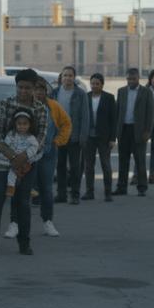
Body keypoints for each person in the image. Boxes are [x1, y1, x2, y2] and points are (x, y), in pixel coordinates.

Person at [0, 68, 49, 256]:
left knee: (23, 204)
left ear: (35, 88)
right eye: (20, 87)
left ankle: (24, 243)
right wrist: (13, 157)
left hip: (27, 166)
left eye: (28, 88)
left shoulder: (41, 109)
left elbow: (41, 138)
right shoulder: (5, 105)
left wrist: (23, 159)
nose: (23, 91)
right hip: (1, 164)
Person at [6, 77, 70, 238]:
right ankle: (15, 224)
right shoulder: (23, 106)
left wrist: (58, 141)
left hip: (47, 154)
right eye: (36, 89)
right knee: (20, 189)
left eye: (42, 89)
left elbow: (66, 124)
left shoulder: (53, 107)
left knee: (46, 189)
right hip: (24, 157)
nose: (39, 92)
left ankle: (48, 222)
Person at [115, 68, 154, 197]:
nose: (130, 81)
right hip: (124, 130)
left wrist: (148, 131)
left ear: (138, 78)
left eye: (133, 79)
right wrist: (116, 131)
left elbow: (150, 113)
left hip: (139, 131)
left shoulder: (146, 92)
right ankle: (121, 187)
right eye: (128, 79)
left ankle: (142, 187)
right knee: (123, 160)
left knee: (140, 160)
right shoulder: (121, 92)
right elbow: (118, 111)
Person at [52, 65, 89, 204]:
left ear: (74, 78)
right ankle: (61, 194)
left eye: (70, 75)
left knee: (75, 167)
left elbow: (85, 117)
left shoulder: (80, 94)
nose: (67, 78)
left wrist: (83, 136)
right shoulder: (55, 93)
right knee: (60, 166)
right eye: (65, 75)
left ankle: (75, 194)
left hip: (74, 136)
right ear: (61, 78)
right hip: (59, 136)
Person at [82, 72, 118, 202]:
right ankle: (89, 191)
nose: (94, 86)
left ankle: (108, 193)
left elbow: (114, 120)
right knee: (88, 165)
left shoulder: (109, 98)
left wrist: (113, 138)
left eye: (97, 84)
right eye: (92, 83)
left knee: (105, 165)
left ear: (102, 85)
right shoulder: (85, 97)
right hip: (89, 137)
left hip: (104, 137)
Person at [0, 112, 39, 196]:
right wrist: (12, 155)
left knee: (27, 173)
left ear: (29, 125)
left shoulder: (31, 137)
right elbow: (6, 145)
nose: (22, 126)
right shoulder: (11, 134)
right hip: (13, 158)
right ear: (15, 124)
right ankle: (11, 188)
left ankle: (29, 188)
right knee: (12, 172)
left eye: (25, 124)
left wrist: (27, 155)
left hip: (26, 159)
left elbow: (35, 147)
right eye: (19, 124)